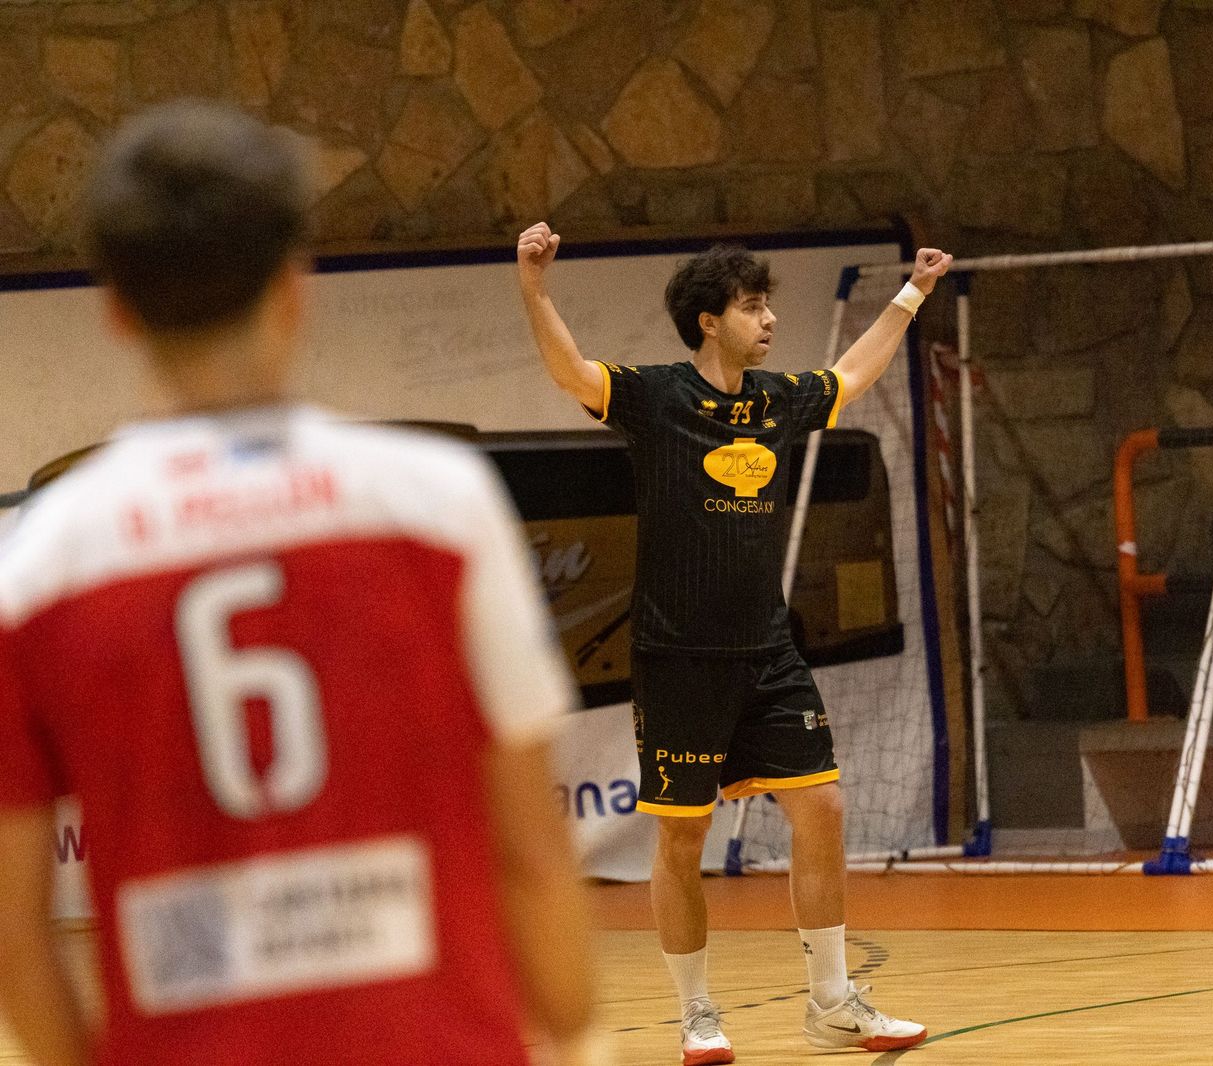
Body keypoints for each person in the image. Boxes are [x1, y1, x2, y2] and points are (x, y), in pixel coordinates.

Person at [0, 101, 606, 1066]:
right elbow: (532, 853)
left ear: (114, 309)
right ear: (295, 288)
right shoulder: (437, 508)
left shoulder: (37, 572)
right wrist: (576, 1041)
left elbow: (16, 935)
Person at [516, 221, 951, 1063]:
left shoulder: (779, 400)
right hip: (678, 658)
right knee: (682, 836)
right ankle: (696, 1014)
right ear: (710, 320)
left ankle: (831, 1002)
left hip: (768, 653)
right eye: (753, 307)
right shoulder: (656, 396)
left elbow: (855, 373)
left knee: (820, 806)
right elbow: (570, 370)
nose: (769, 321)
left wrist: (913, 294)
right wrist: (533, 287)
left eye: (767, 307)